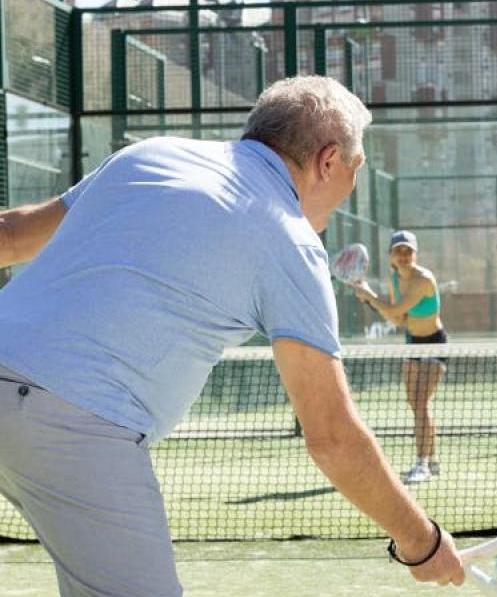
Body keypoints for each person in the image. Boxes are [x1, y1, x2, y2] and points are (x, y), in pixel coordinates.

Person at [0, 76, 464, 596]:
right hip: (76, 424)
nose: (351, 184)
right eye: (354, 169)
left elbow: (11, 234)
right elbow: (332, 437)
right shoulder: (288, 240)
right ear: (328, 161)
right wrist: (420, 541)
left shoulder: (151, 155)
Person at [355, 230, 446, 484]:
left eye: (408, 251)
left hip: (434, 344)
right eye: (399, 251)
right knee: (414, 403)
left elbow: (395, 309)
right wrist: (371, 301)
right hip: (412, 343)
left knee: (421, 403)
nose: (404, 256)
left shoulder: (423, 279)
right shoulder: (395, 279)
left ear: (415, 254)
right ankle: (433, 459)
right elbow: (397, 319)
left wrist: (371, 296)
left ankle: (422, 464)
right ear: (391, 256)